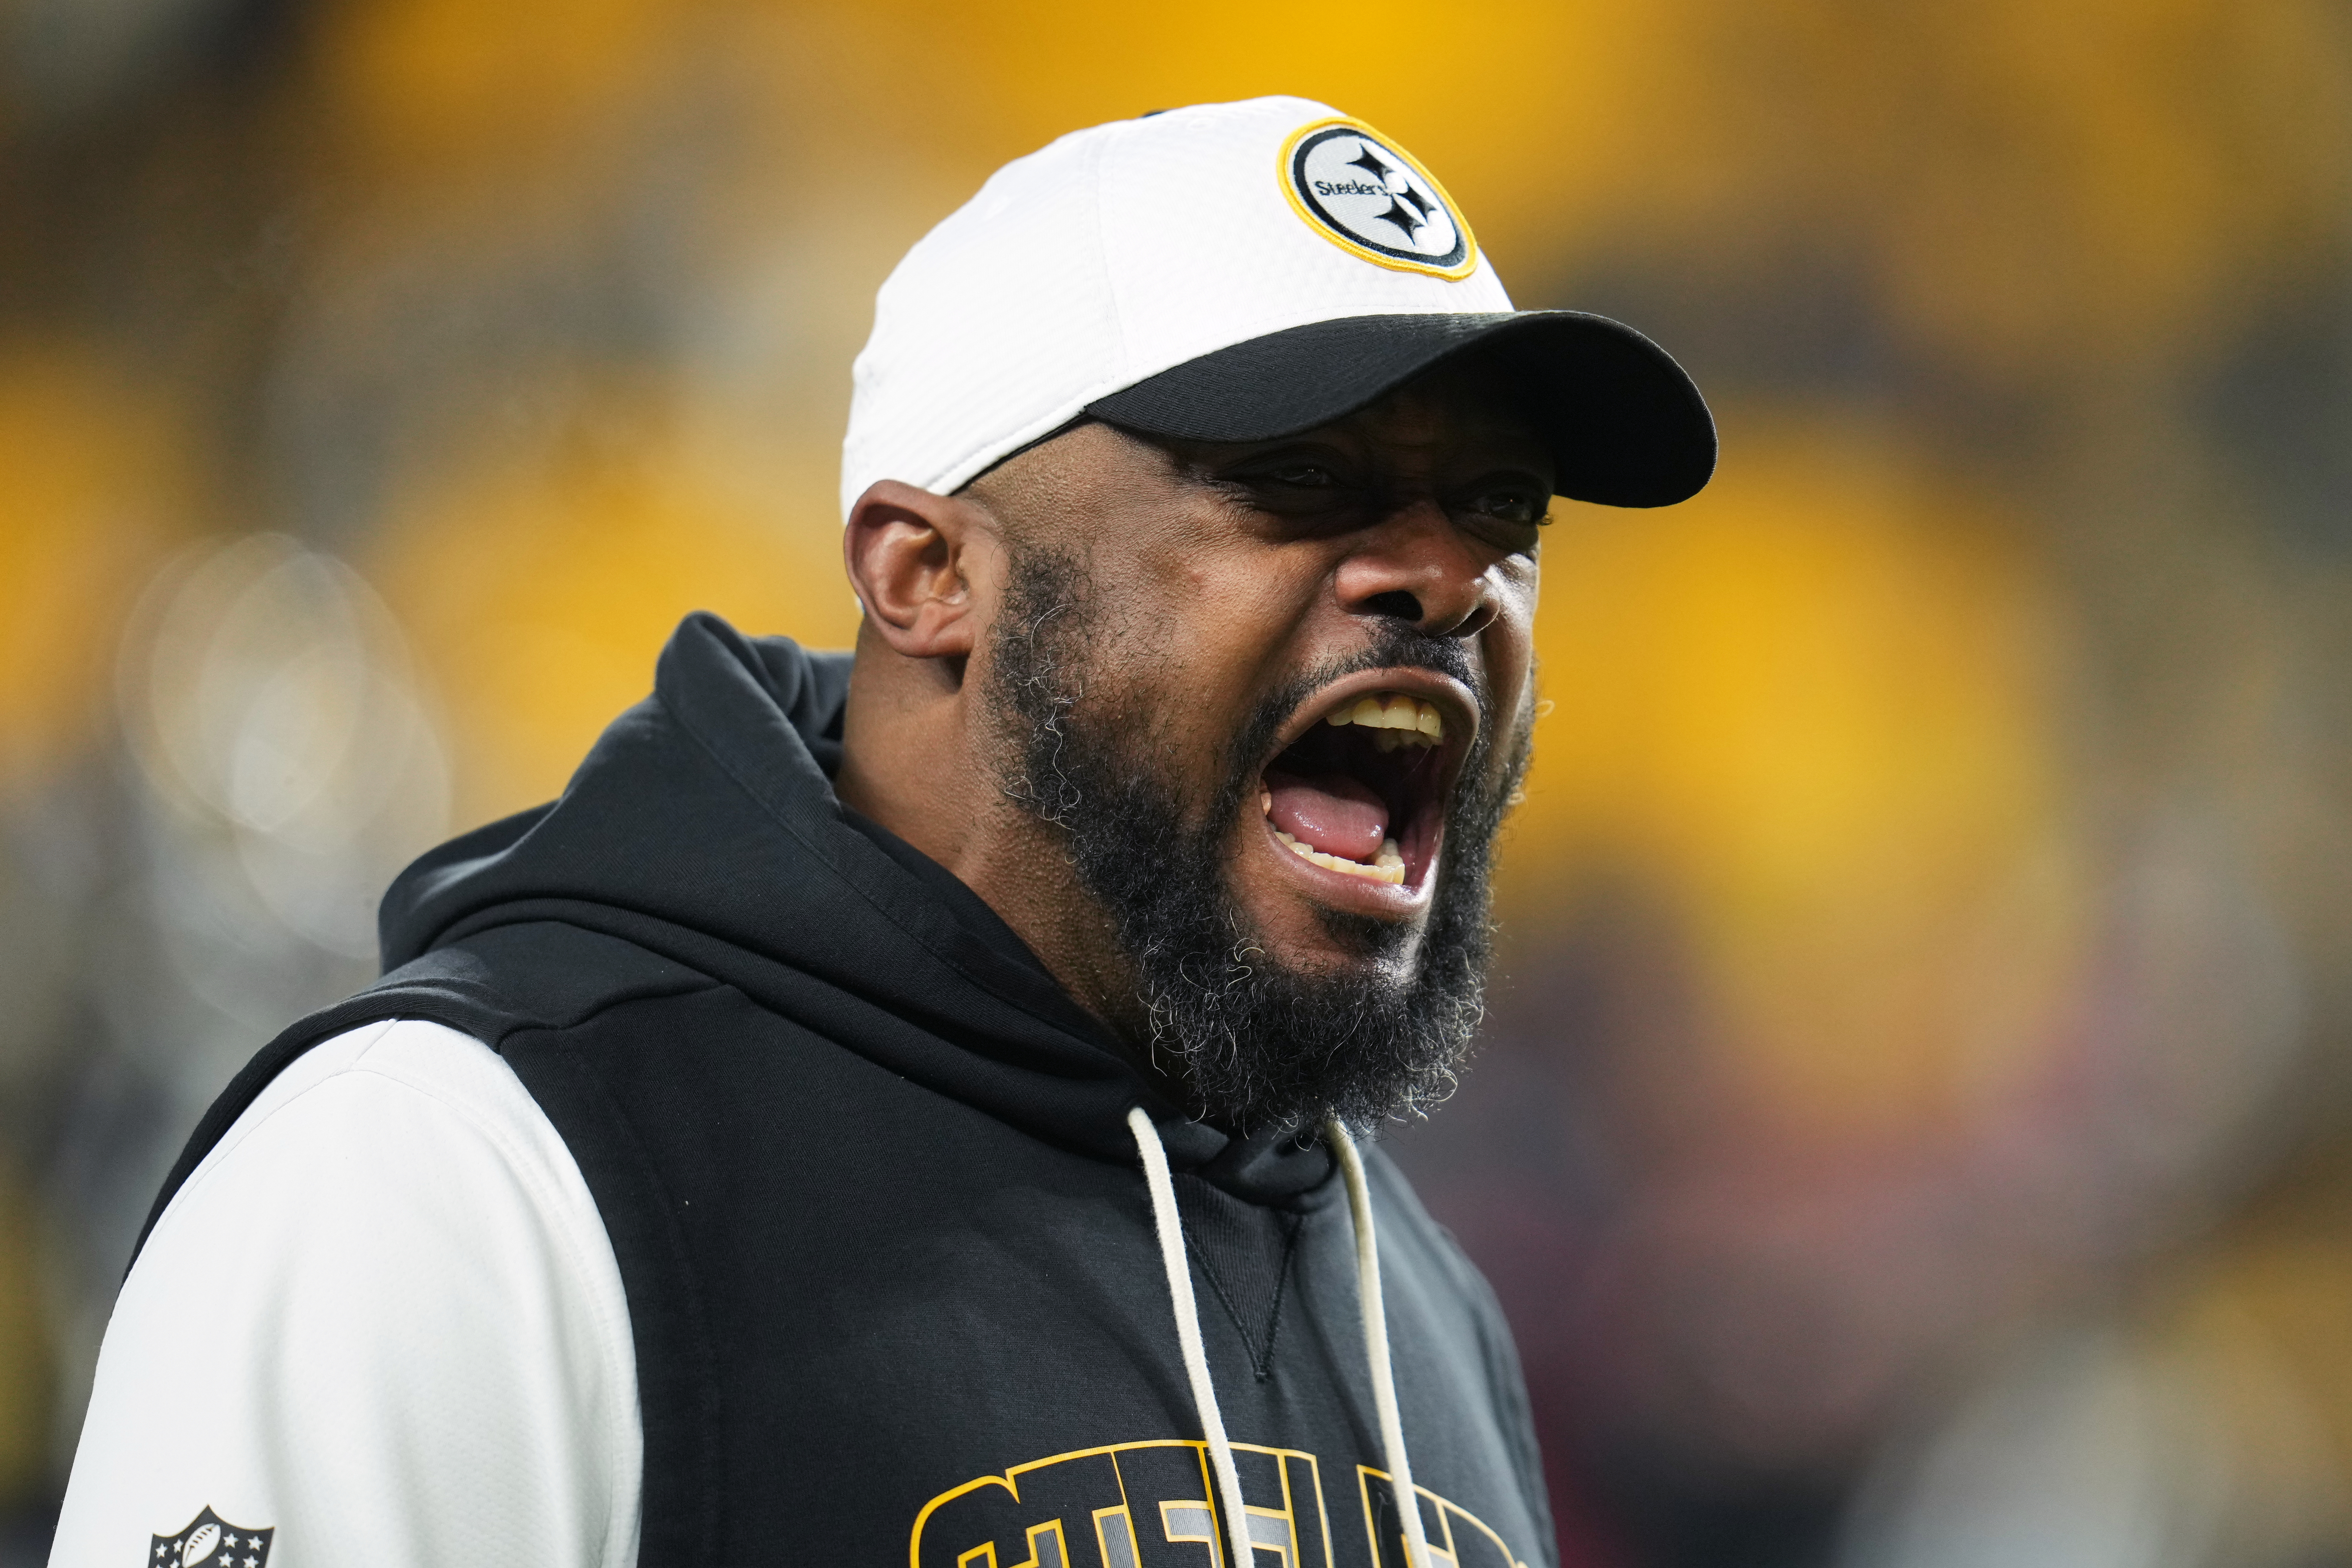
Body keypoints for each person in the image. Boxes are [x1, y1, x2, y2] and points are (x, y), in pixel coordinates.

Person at [50, 96, 1711, 1568]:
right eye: (1298, 480)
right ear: (926, 574)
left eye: (1503, 509)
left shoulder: (1412, 1296)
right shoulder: (465, 1175)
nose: (1446, 578)